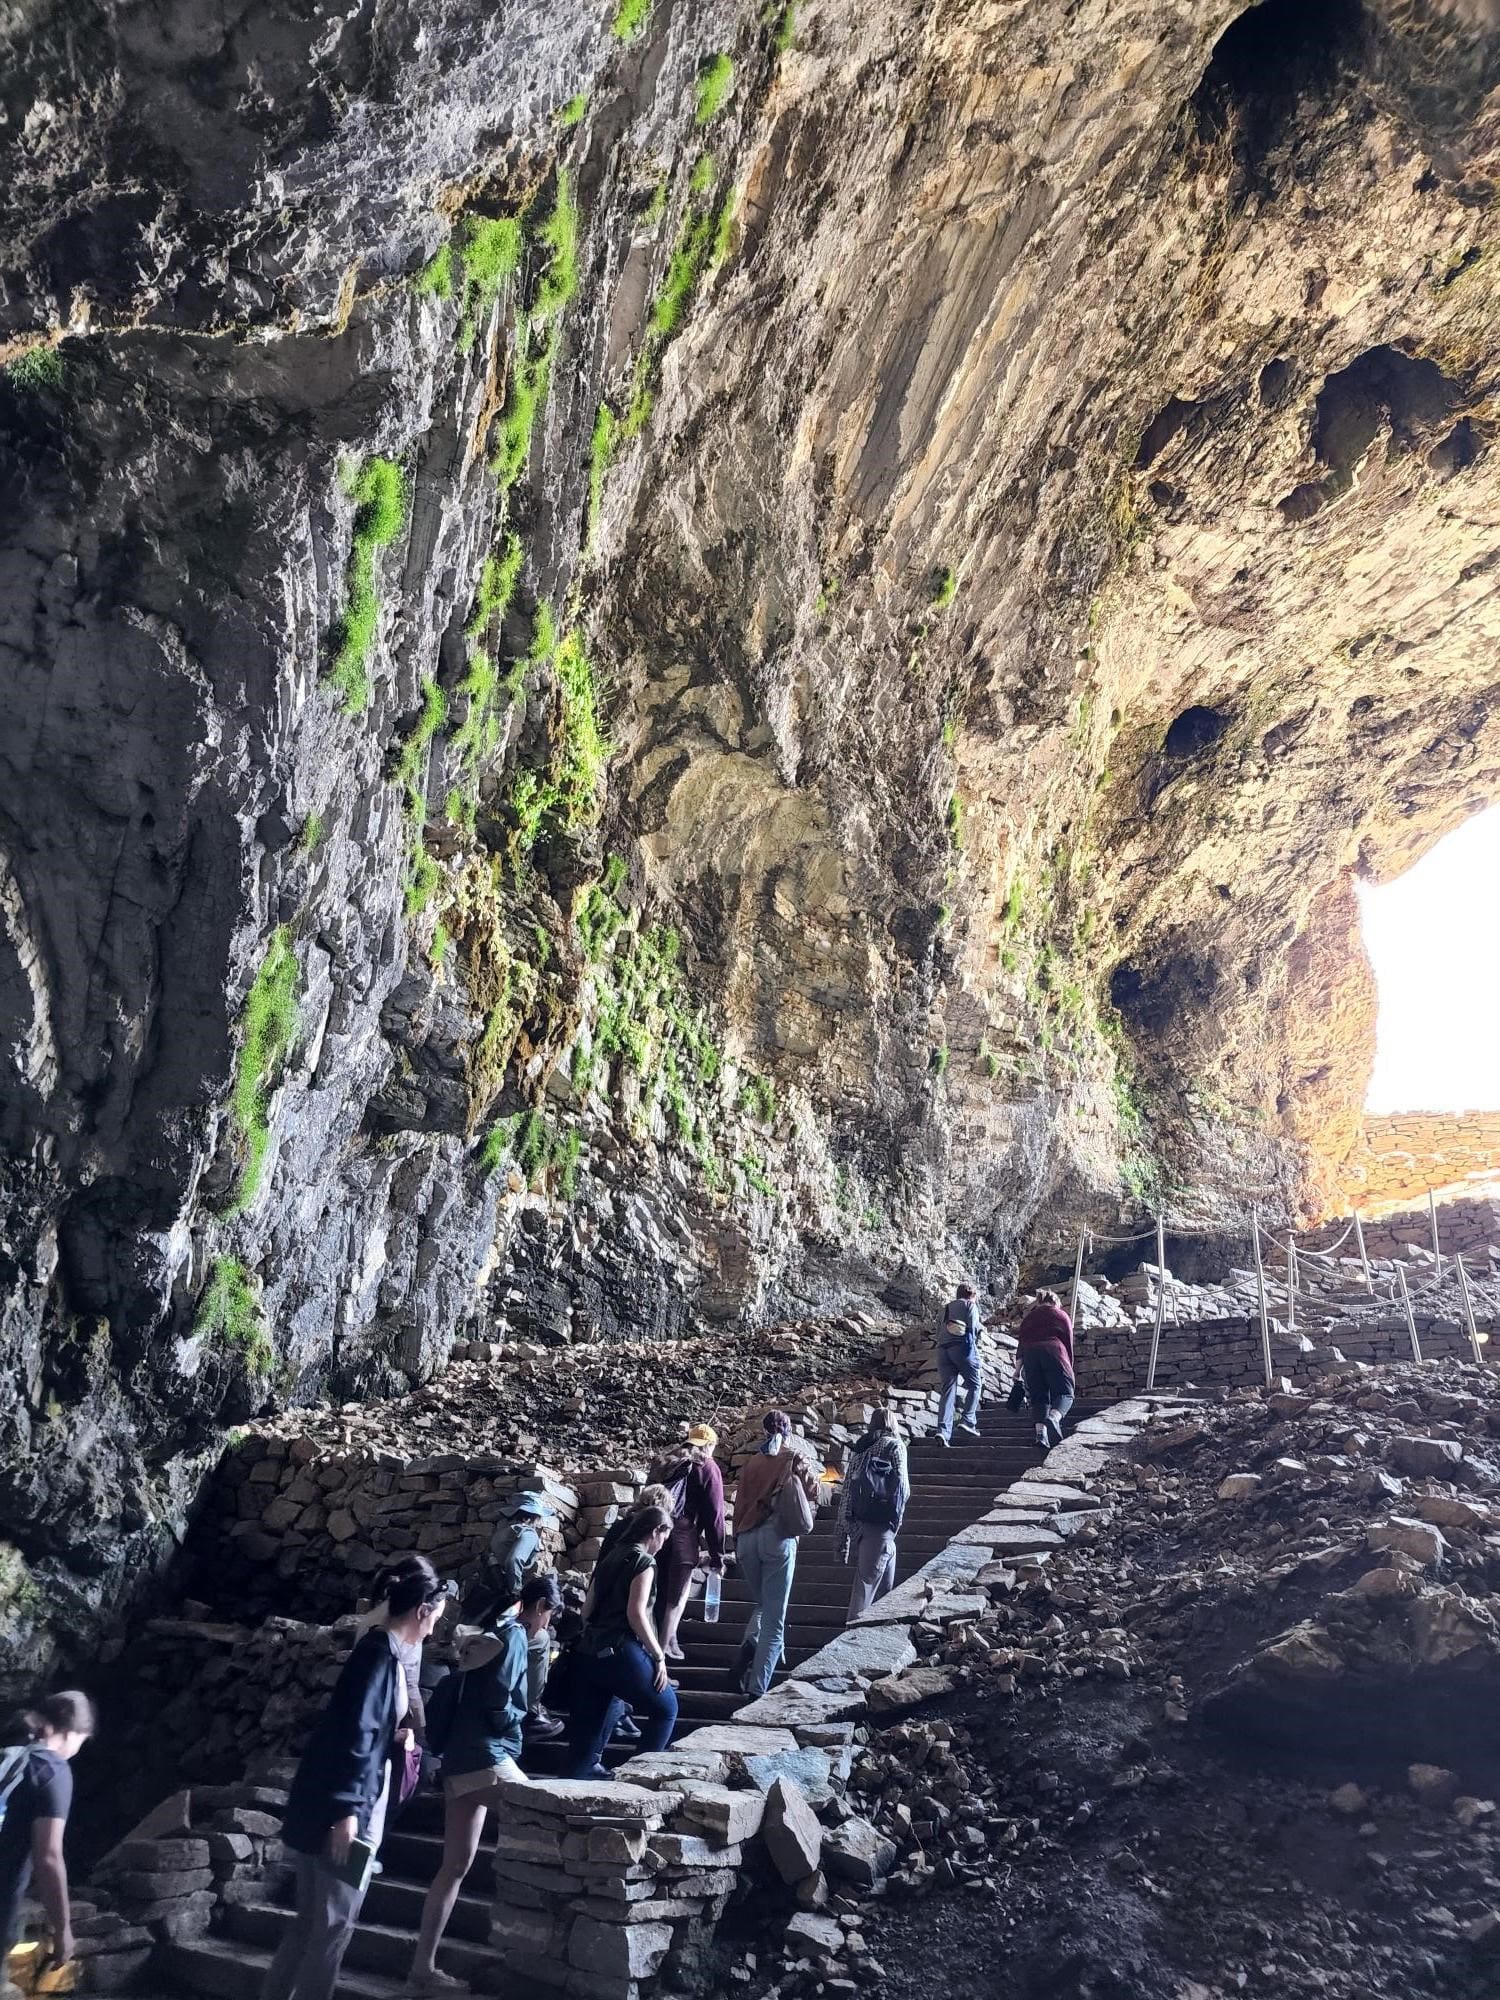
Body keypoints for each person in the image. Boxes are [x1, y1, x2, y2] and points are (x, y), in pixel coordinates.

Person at [265, 1557, 449, 2000]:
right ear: (422, 1610)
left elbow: (362, 1727)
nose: (434, 1631)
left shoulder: (376, 1653)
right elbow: (355, 1735)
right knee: (334, 1926)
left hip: (330, 1801)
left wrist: (395, 1735)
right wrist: (348, 1811)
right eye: (436, 1619)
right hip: (346, 1810)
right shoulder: (379, 1659)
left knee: (311, 1923)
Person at [406, 1592, 530, 1994]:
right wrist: (519, 1718)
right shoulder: (516, 1637)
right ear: (541, 1609)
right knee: (548, 1823)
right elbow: (500, 1700)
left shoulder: (473, 1643)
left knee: (454, 1865)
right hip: (487, 1756)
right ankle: (525, 1963)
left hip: (456, 1762)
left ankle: (421, 1969)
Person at [565, 1506, 678, 1780]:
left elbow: (587, 1610)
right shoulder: (644, 1562)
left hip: (590, 1650)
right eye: (665, 1536)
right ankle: (640, 1776)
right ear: (656, 1531)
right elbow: (636, 1613)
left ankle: (580, 1772)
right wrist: (658, 1657)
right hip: (620, 1648)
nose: (664, 1544)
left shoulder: (610, 1557)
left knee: (594, 1715)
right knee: (666, 1709)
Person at [0, 1691, 95, 1982]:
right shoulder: (52, 1770)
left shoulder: (8, 1752)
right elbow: (48, 1857)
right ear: (71, 1733)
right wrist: (63, 1929)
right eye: (82, 1740)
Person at [730, 1412, 821, 1699]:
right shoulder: (792, 1456)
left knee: (762, 1604)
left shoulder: (750, 1464)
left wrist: (734, 1541)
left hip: (745, 1540)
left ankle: (749, 1644)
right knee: (775, 1619)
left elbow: (740, 1503)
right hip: (776, 1537)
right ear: (788, 1431)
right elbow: (815, 1492)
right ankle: (757, 1689)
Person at [648, 1426, 725, 1661]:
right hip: (683, 1535)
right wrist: (717, 1555)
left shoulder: (666, 1462)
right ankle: (660, 1661)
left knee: (654, 1595)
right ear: (710, 1445)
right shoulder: (707, 1467)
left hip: (654, 1533)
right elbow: (715, 1515)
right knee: (676, 1599)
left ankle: (664, 1643)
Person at [839, 1409, 910, 1618]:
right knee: (865, 1592)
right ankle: (849, 1644)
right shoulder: (895, 1446)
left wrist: (842, 1536)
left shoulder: (861, 1450)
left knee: (883, 1592)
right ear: (893, 1424)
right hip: (881, 1525)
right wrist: (896, 1519)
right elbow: (903, 1488)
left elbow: (846, 1494)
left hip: (860, 1524)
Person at [465, 1492, 554, 1624]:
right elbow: (514, 1560)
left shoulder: (503, 1532)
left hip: (484, 1590)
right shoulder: (528, 1533)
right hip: (502, 1595)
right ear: (535, 1516)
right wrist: (516, 1592)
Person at [1016, 1288, 1076, 1450]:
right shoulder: (1061, 1315)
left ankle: (1041, 1436)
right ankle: (1054, 1418)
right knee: (1065, 1393)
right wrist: (1069, 1367)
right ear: (1056, 1301)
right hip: (1055, 1353)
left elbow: (1021, 1346)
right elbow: (1068, 1342)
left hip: (1030, 1357)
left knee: (1039, 1398)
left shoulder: (1028, 1319)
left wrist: (1017, 1370)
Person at [512, 1574, 566, 1744]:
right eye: (548, 1615)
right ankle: (532, 1713)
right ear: (540, 1605)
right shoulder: (516, 1633)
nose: (545, 1624)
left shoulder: (503, 1612)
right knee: (543, 1638)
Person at [935, 1282, 983, 1446]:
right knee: (975, 1384)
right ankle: (968, 1420)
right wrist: (973, 1355)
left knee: (948, 1390)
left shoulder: (945, 1308)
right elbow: (972, 1330)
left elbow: (937, 1331)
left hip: (942, 1351)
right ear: (972, 1295)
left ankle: (942, 1431)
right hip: (961, 1348)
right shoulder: (970, 1305)